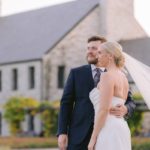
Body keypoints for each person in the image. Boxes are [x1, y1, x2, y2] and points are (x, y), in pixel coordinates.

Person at [57, 36, 136, 150]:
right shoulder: (76, 73)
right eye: (88, 48)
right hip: (80, 135)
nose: (90, 51)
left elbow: (129, 101)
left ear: (109, 53)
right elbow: (66, 103)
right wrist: (62, 132)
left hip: (107, 131)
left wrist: (126, 109)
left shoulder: (114, 75)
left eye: (95, 49)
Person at [88, 41, 131, 150]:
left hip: (108, 129)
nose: (97, 56)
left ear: (110, 56)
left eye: (100, 53)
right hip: (121, 127)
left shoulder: (106, 76)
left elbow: (103, 110)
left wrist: (93, 138)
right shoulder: (124, 78)